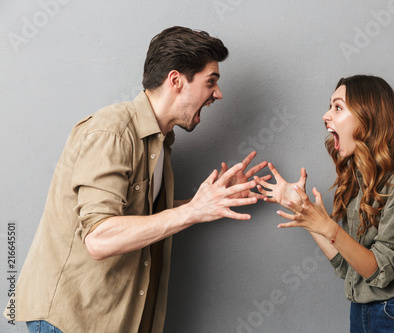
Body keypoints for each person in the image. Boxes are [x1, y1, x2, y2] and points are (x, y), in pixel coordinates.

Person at [5, 26, 270, 332]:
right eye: (211, 82)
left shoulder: (158, 141)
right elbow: (100, 237)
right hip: (70, 322)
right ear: (176, 80)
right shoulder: (113, 131)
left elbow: (135, 218)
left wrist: (205, 203)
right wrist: (193, 210)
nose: (218, 94)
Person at [255, 75, 394, 332]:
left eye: (337, 107)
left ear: (367, 116)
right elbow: (349, 266)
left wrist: (326, 225)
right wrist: (304, 212)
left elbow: (380, 271)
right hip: (363, 312)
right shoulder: (360, 177)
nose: (326, 115)